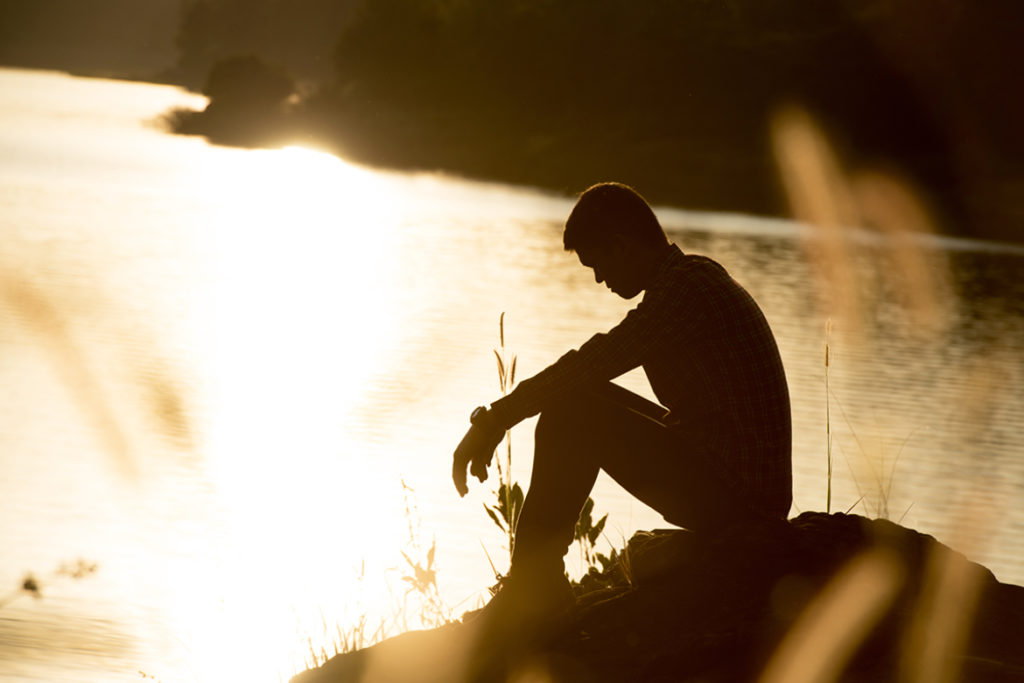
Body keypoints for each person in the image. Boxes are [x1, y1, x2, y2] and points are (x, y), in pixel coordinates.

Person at [451, 182, 792, 632]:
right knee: (576, 401)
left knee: (572, 411)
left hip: (740, 502)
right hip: (735, 483)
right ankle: (536, 580)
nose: (599, 280)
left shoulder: (684, 295)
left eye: (599, 264)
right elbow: (592, 370)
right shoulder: (691, 278)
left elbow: (594, 361)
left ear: (622, 246)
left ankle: (535, 587)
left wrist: (497, 417)